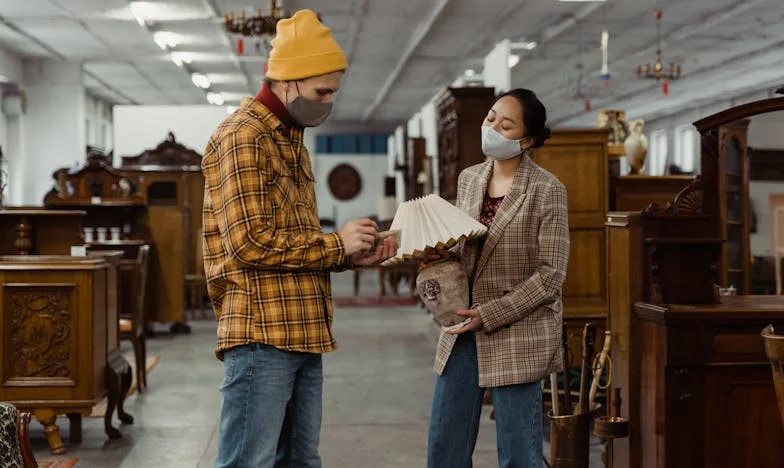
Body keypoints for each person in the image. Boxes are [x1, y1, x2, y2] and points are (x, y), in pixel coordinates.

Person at [201, 10, 398, 468]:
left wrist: (351, 257)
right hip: (262, 333)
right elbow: (248, 243)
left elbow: (292, 239)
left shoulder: (291, 138)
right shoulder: (243, 137)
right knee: (249, 462)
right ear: (287, 82)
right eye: (321, 91)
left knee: (300, 461)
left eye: (332, 91)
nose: (328, 102)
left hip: (303, 330)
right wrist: (335, 244)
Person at [426, 88, 570, 468]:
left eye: (505, 125)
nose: (491, 127)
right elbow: (466, 251)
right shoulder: (470, 179)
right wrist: (439, 254)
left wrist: (489, 314)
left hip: (518, 330)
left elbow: (551, 275)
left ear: (526, 140)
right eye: (490, 118)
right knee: (445, 446)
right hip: (462, 327)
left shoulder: (547, 189)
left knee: (518, 453)